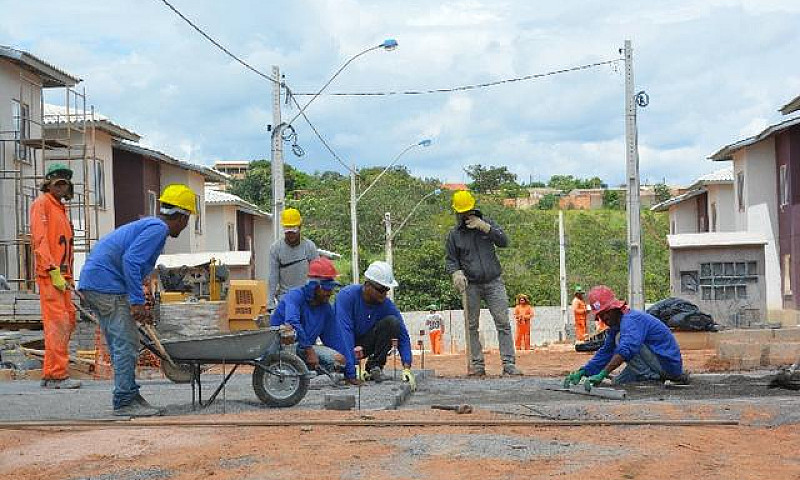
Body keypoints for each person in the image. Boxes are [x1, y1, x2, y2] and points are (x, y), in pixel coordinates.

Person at [79, 184, 197, 416]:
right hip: (105, 285)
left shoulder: (151, 226)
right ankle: (124, 401)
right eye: (188, 219)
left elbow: (132, 263)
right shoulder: (157, 229)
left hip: (99, 282)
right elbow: (131, 261)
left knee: (123, 341)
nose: (186, 225)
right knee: (126, 342)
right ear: (182, 217)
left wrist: (139, 300)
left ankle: (129, 393)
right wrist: (135, 301)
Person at [445, 190, 522, 376]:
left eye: (467, 211)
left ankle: (509, 364)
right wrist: (455, 273)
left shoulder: (487, 225)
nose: (465, 215)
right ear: (457, 213)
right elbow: (451, 259)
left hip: (494, 282)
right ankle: (477, 365)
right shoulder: (454, 235)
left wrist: (485, 227)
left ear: (473, 208)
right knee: (471, 325)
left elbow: (504, 241)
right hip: (470, 285)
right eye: (461, 212)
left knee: (503, 322)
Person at [563, 285, 688, 389]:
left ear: (613, 309)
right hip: (652, 362)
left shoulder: (631, 320)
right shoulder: (617, 325)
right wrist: (583, 371)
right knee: (618, 382)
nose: (603, 319)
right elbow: (606, 352)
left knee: (621, 339)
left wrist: (603, 373)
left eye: (605, 314)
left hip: (666, 365)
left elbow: (626, 349)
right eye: (600, 316)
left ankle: (650, 377)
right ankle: (647, 374)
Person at [270, 257, 358, 384]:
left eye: (331, 288)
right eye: (327, 288)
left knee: (339, 360)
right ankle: (287, 374)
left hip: (304, 350)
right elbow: (292, 321)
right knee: (288, 330)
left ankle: (304, 376)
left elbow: (336, 339)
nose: (330, 292)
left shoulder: (326, 308)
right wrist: (309, 350)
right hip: (281, 350)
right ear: (314, 286)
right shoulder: (294, 296)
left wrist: (351, 374)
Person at [31, 163, 80, 389]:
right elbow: (40, 241)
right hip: (51, 276)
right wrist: (52, 270)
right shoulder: (42, 205)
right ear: (49, 185)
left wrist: (66, 275)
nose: (61, 188)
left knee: (68, 320)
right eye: (57, 184)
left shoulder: (60, 208)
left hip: (63, 276)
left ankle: (51, 371)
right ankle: (57, 375)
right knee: (58, 323)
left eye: (64, 185)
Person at [337, 261, 415, 390]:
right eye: (381, 289)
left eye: (387, 289)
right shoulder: (347, 296)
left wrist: (406, 367)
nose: (384, 294)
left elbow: (403, 334)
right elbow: (344, 331)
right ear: (367, 285)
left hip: (365, 344)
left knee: (392, 322)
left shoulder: (386, 305)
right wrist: (353, 367)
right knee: (338, 359)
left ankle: (374, 367)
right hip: (343, 345)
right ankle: (344, 367)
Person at [268, 208, 319, 308]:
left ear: (300, 227)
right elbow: (273, 276)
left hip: (306, 297)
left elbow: (317, 275)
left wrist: (315, 297)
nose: (291, 234)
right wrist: (270, 302)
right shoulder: (276, 248)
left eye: (293, 231)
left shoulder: (309, 247)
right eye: (288, 231)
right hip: (285, 298)